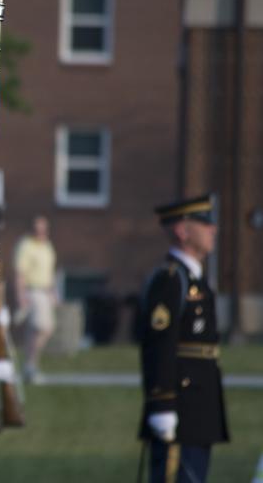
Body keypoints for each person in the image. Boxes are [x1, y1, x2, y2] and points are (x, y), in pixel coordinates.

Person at [139, 195, 228, 483]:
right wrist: (162, 403)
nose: (213, 229)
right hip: (179, 409)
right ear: (182, 230)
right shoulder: (171, 279)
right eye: (205, 223)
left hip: (199, 412)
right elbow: (159, 345)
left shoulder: (194, 279)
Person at [13, 215, 57, 383]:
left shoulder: (47, 246)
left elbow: (49, 272)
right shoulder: (26, 245)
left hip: (45, 292)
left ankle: (30, 365)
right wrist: (21, 296)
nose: (41, 233)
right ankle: (30, 365)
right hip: (33, 291)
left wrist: (53, 293)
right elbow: (20, 273)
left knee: (40, 329)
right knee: (41, 328)